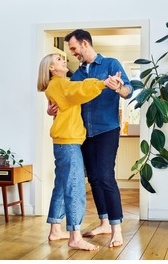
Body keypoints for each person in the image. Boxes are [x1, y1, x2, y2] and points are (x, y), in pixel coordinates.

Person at [48, 29, 133, 248]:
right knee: (93, 178)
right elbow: (69, 98)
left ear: (85, 43)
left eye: (74, 48)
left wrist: (119, 88)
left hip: (107, 129)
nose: (72, 53)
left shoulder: (110, 64)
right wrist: (53, 110)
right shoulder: (76, 75)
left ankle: (116, 228)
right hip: (85, 133)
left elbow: (129, 90)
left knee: (105, 176)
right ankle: (104, 223)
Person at [37, 53, 122, 251]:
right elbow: (79, 90)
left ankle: (55, 230)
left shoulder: (57, 85)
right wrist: (103, 83)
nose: (64, 60)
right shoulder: (59, 85)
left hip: (64, 141)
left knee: (61, 186)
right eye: (59, 59)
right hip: (68, 141)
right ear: (50, 68)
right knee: (74, 187)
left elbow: (72, 95)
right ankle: (75, 235)